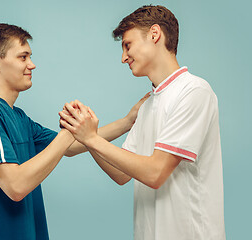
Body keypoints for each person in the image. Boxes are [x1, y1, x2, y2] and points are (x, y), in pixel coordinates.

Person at [0, 23, 146, 240]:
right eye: (23, 57)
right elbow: (15, 186)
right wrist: (70, 130)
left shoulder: (18, 117)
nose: (32, 64)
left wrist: (128, 121)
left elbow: (71, 146)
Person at [59, 5, 226, 240]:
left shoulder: (194, 91)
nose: (123, 57)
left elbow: (155, 173)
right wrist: (85, 132)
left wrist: (92, 138)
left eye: (128, 45)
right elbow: (121, 174)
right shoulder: (147, 105)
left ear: (154, 34)